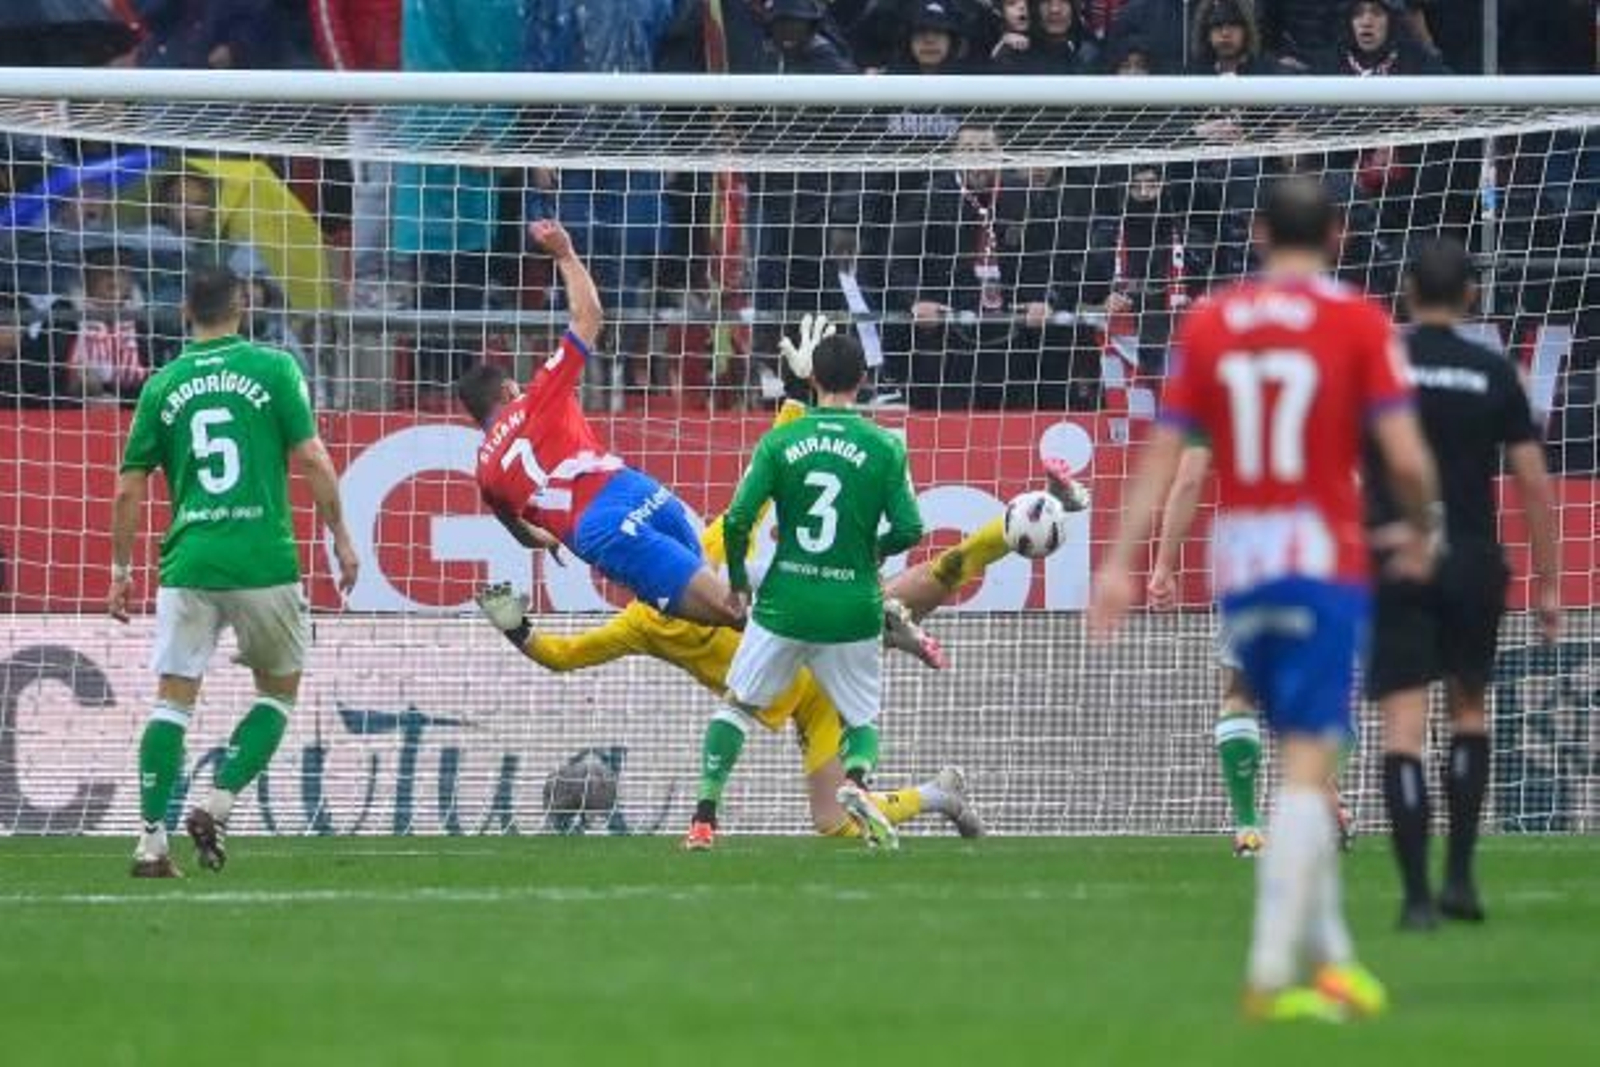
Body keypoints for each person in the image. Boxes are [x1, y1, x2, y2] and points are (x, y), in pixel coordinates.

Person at [1089, 177, 1441, 1022]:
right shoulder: (1358, 319)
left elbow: (1169, 455)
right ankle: (1270, 969)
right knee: (1312, 762)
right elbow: (1403, 454)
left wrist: (1121, 562)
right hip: (1320, 557)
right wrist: (1424, 524)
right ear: (1337, 234)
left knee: (1287, 748)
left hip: (1241, 563)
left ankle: (1335, 962)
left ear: (1256, 232)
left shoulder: (1212, 321)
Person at [474, 396, 1089, 843]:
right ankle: (938, 793)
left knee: (910, 587)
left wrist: (513, 625)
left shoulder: (669, 594)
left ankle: (1014, 528)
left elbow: (760, 478)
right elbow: (562, 656)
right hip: (812, 691)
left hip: (804, 636)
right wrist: (802, 393)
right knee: (835, 823)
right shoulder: (654, 609)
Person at [110, 266, 360, 878]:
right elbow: (313, 458)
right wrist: (341, 536)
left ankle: (150, 844)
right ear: (243, 307)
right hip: (264, 561)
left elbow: (128, 488)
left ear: (183, 313)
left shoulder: (161, 385)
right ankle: (218, 802)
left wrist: (120, 568)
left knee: (172, 702)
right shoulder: (275, 368)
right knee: (278, 692)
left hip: (190, 561)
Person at [1370, 238, 1561, 930]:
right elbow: (1533, 482)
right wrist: (1548, 582)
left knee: (1403, 726)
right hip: (1473, 559)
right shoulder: (1492, 369)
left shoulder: (1383, 364)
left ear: (1406, 292)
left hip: (1399, 553)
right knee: (1469, 710)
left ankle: (1417, 898)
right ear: (1472, 296)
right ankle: (1459, 876)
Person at [691, 332, 926, 850]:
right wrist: (872, 551)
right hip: (852, 606)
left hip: (785, 603)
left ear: (813, 378)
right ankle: (857, 781)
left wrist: (737, 584)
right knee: (860, 720)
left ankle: (704, 820)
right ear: (863, 380)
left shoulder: (781, 442)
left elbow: (738, 520)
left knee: (737, 706)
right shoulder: (886, 445)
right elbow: (911, 528)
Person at [1148, 442, 1357, 857]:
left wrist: (1164, 565)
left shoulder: (1223, 399)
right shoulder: (1329, 397)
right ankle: (1322, 793)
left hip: (1254, 558)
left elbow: (1189, 480)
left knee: (1239, 693)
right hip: (1318, 555)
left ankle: (1248, 827)